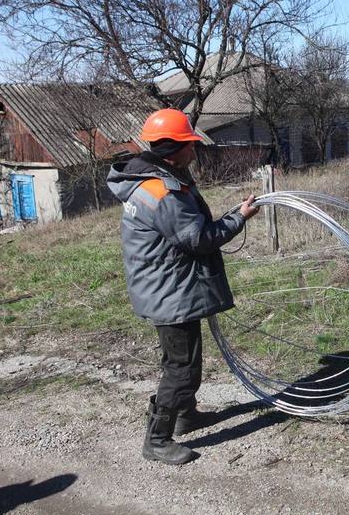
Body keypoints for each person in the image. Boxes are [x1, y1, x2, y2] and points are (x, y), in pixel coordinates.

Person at [107, 108, 260, 464]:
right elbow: (198, 238)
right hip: (168, 292)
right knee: (182, 367)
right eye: (190, 143)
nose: (195, 149)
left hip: (163, 286)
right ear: (174, 147)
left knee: (180, 360)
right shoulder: (163, 191)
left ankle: (185, 417)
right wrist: (239, 217)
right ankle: (156, 439)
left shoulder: (152, 181)